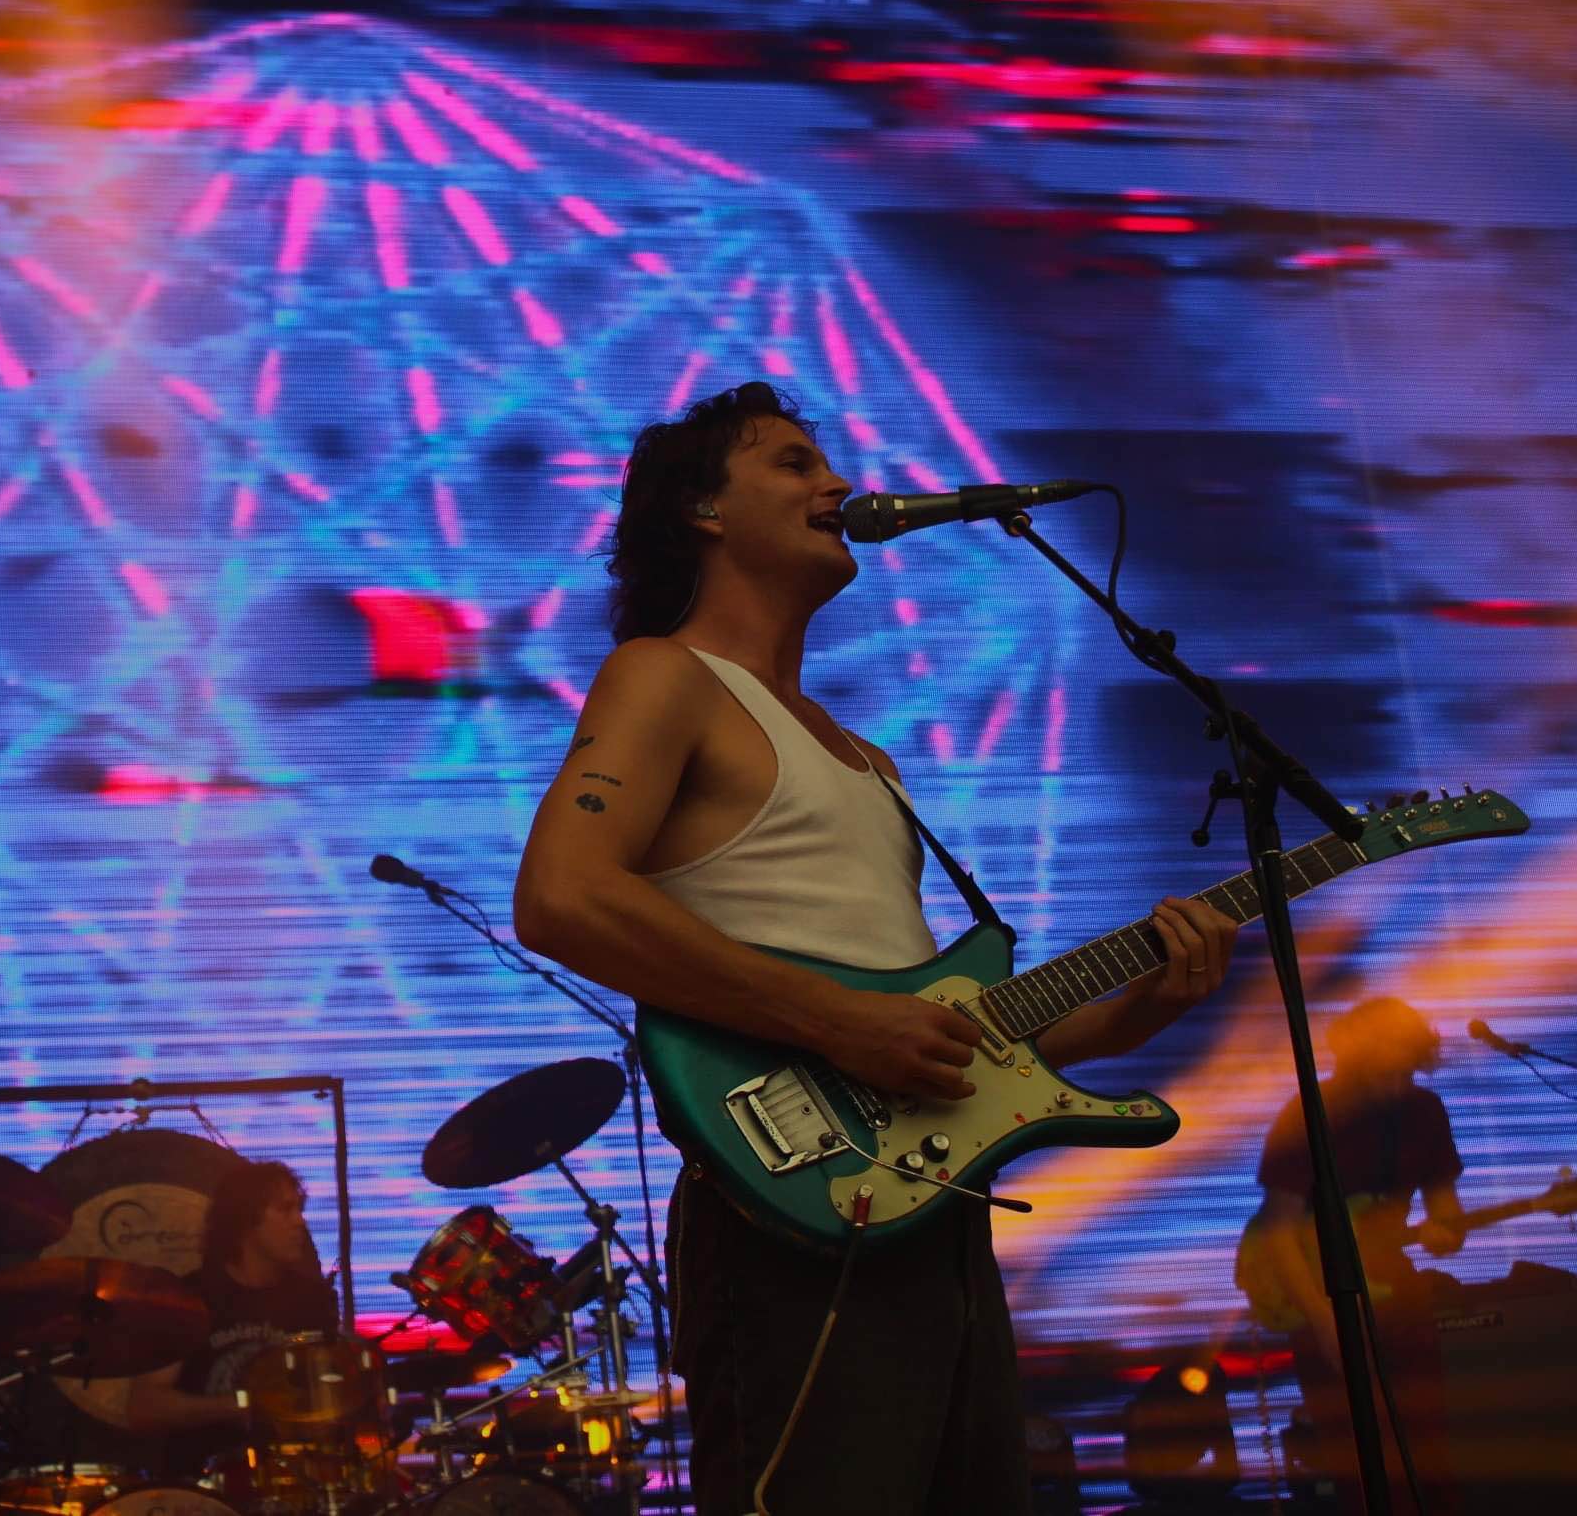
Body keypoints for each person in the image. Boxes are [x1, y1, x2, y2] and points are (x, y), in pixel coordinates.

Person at [511, 381, 1240, 1515]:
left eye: (826, 463)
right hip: (784, 1205)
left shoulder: (865, 759)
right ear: (703, 510)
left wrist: (1146, 1005)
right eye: (793, 464)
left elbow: (960, 1031)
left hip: (929, 1206)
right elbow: (561, 898)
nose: (837, 484)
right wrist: (842, 1021)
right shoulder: (666, 675)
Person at [1246, 996, 1464, 1516]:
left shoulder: (1425, 1110)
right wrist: (1324, 1321)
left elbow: (1447, 1215)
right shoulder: (1309, 1113)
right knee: (1357, 1467)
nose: (1398, 1070)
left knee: (1427, 1455)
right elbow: (1277, 1230)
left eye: (1408, 1056)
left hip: (1398, 1298)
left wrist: (1446, 1235)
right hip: (1322, 1300)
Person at [119, 1158, 340, 1468]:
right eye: (285, 1209)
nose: (299, 1222)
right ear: (245, 1220)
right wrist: (241, 1405)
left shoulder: (313, 1300)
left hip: (299, 1474)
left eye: (299, 1209)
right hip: (206, 1480)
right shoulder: (189, 1298)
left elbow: (333, 1393)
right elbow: (143, 1408)